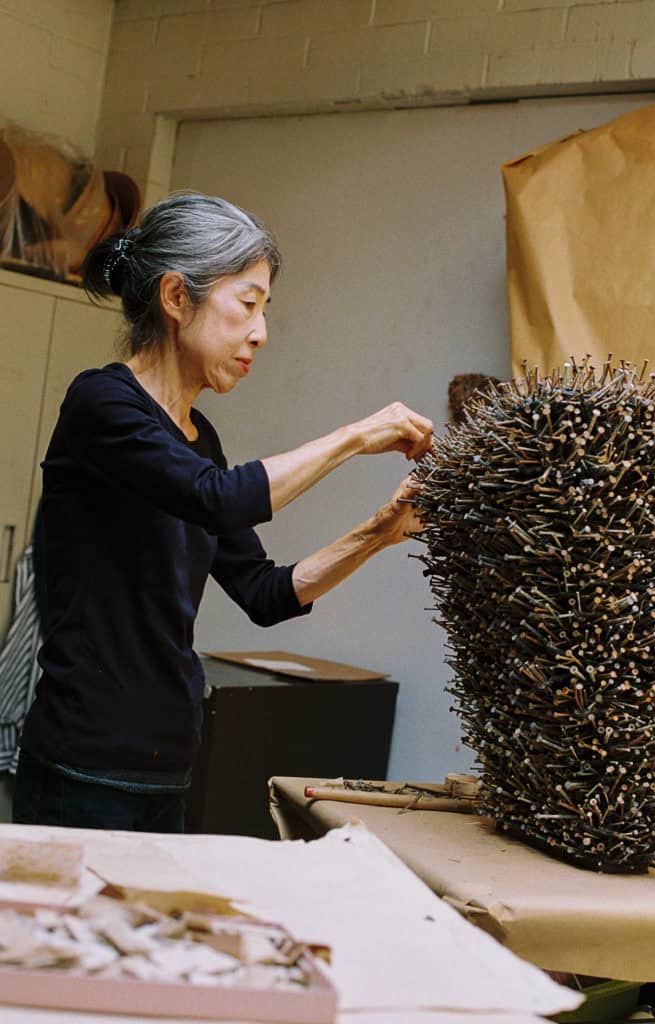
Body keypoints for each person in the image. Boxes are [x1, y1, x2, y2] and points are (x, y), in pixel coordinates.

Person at [12, 192, 433, 834]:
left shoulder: (198, 438)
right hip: (85, 764)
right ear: (177, 298)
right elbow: (221, 497)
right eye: (248, 305)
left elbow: (266, 593)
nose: (261, 333)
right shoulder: (102, 404)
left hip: (167, 762)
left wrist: (379, 532)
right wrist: (355, 436)